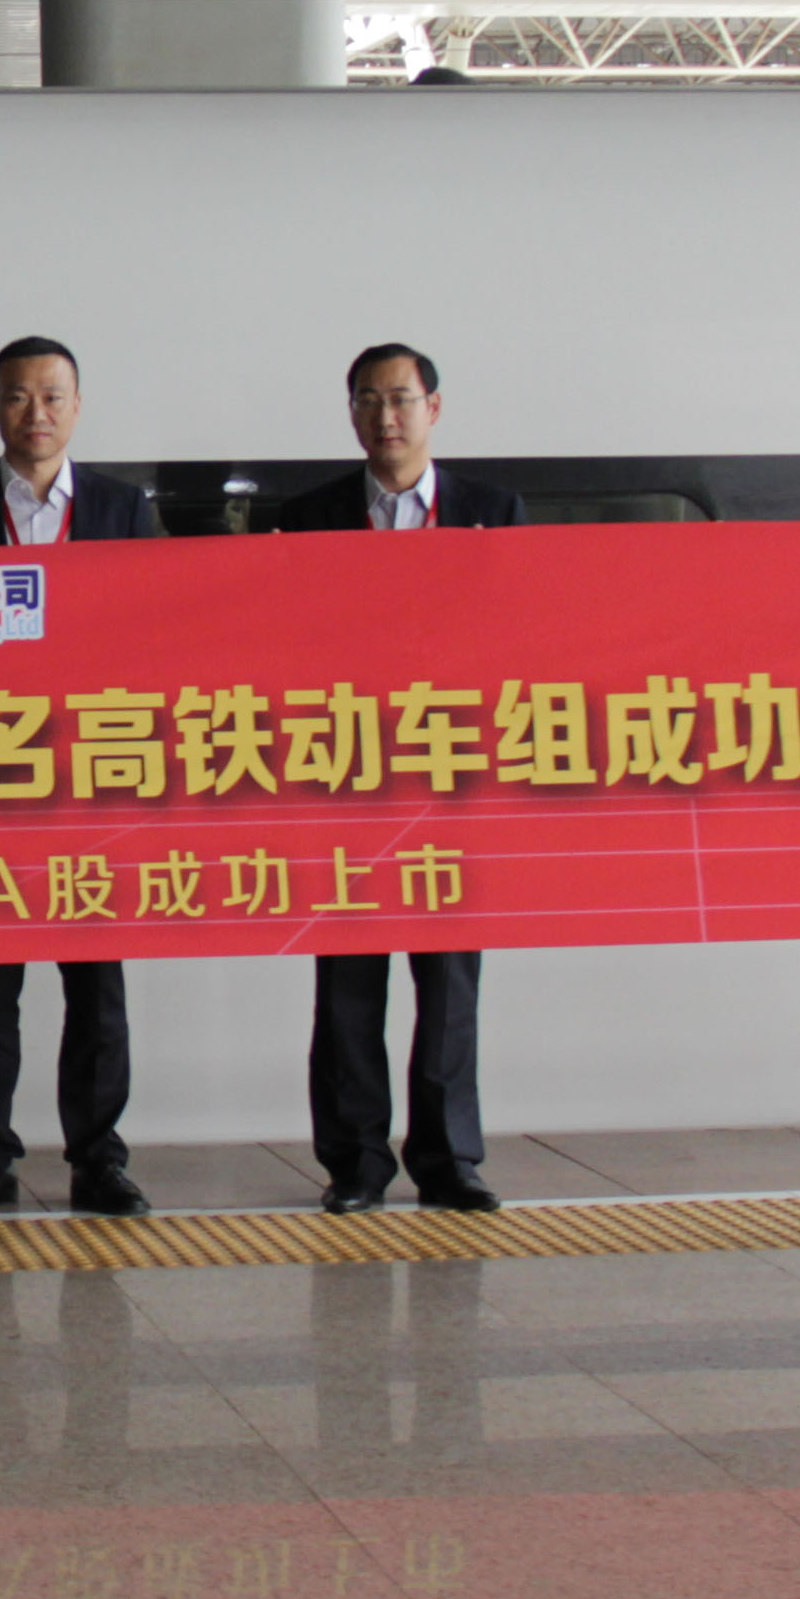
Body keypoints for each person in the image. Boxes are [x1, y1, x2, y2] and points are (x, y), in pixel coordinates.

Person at [0, 336, 160, 1219]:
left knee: (96, 986)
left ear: (77, 406)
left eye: (53, 396)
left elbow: (165, 636)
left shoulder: (125, 510)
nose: (36, 413)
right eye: (17, 396)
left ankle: (99, 1158)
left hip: (94, 778)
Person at [276, 343, 522, 1213]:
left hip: (453, 777)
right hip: (346, 775)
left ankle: (449, 1160)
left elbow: (522, 636)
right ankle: (355, 1162)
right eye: (369, 401)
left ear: (434, 409)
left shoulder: (494, 513)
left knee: (449, 980)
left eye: (402, 399)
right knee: (348, 978)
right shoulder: (307, 519)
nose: (387, 417)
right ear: (350, 412)